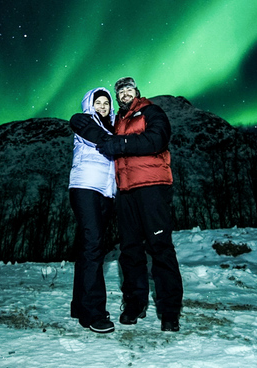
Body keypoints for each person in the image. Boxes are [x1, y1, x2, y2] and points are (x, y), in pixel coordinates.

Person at [74, 77, 183, 332]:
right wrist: (78, 119)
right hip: (125, 192)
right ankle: (134, 304)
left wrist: (121, 144)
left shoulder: (151, 111)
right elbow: (94, 126)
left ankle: (169, 311)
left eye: (128, 90)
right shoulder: (117, 121)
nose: (124, 94)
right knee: (130, 250)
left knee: (160, 247)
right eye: (120, 91)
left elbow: (157, 140)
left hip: (152, 188)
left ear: (137, 91)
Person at [67, 87, 117, 334]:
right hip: (85, 187)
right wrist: (113, 141)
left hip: (106, 192)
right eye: (98, 102)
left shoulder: (113, 128)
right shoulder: (84, 121)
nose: (102, 106)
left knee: (89, 247)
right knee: (94, 245)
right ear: (89, 104)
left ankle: (79, 305)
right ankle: (93, 312)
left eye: (106, 103)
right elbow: (91, 133)